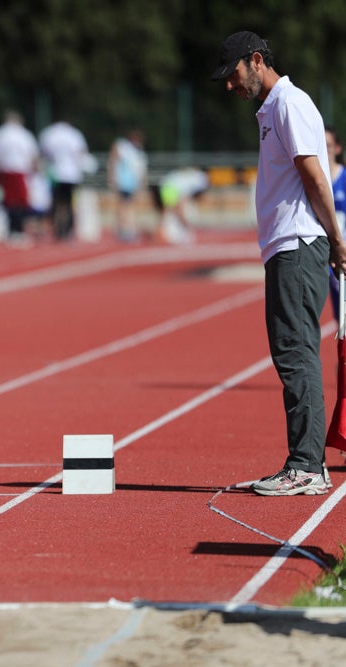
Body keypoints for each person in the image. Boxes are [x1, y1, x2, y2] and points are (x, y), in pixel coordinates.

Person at [212, 30, 345, 495]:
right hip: (286, 244)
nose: (229, 85)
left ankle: (306, 464)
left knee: (295, 350)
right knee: (292, 348)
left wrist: (336, 238)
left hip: (297, 242)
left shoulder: (289, 103)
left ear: (255, 60)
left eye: (233, 74)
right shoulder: (271, 110)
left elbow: (313, 175)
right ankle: (309, 462)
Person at [0, 110, 39, 244]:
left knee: (8, 201)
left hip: (5, 171)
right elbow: (33, 156)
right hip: (21, 171)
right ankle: (19, 230)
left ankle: (11, 230)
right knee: (21, 202)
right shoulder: (25, 135)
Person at [38, 118, 94, 241]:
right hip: (71, 175)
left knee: (56, 202)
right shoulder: (74, 134)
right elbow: (81, 153)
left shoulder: (49, 133)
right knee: (68, 204)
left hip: (54, 174)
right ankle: (66, 229)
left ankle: (58, 229)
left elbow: (43, 153)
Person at [107, 128, 148, 242]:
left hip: (131, 183)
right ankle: (124, 230)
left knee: (127, 207)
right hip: (123, 182)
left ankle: (126, 230)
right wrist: (112, 177)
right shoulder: (123, 147)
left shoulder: (137, 152)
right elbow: (113, 160)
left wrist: (142, 183)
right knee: (124, 207)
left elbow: (141, 170)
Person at [151, 167, 209, 244]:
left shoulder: (195, 180)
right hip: (170, 186)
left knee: (167, 211)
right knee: (167, 211)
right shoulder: (199, 181)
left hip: (168, 184)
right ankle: (159, 234)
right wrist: (185, 223)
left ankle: (159, 234)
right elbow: (180, 204)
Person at [325, 126, 346, 321]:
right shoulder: (315, 181)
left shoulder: (344, 178)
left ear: (337, 148)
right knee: (340, 318)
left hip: (343, 252)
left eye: (328, 146)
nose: (325, 151)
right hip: (325, 256)